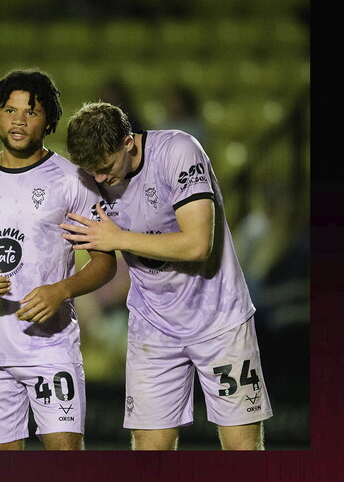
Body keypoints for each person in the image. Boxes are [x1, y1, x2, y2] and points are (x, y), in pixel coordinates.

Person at [59, 101, 273, 450]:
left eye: (105, 167)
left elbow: (197, 245)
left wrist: (118, 238)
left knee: (242, 449)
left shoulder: (178, 151)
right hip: (153, 326)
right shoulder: (91, 176)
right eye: (90, 170)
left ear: (128, 142)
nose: (99, 179)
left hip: (219, 319)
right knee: (150, 448)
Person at [0, 69, 116, 450]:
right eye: (9, 109)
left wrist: (62, 290)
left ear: (49, 120)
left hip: (51, 348)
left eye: (31, 111)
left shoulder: (74, 180)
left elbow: (105, 262)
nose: (18, 120)